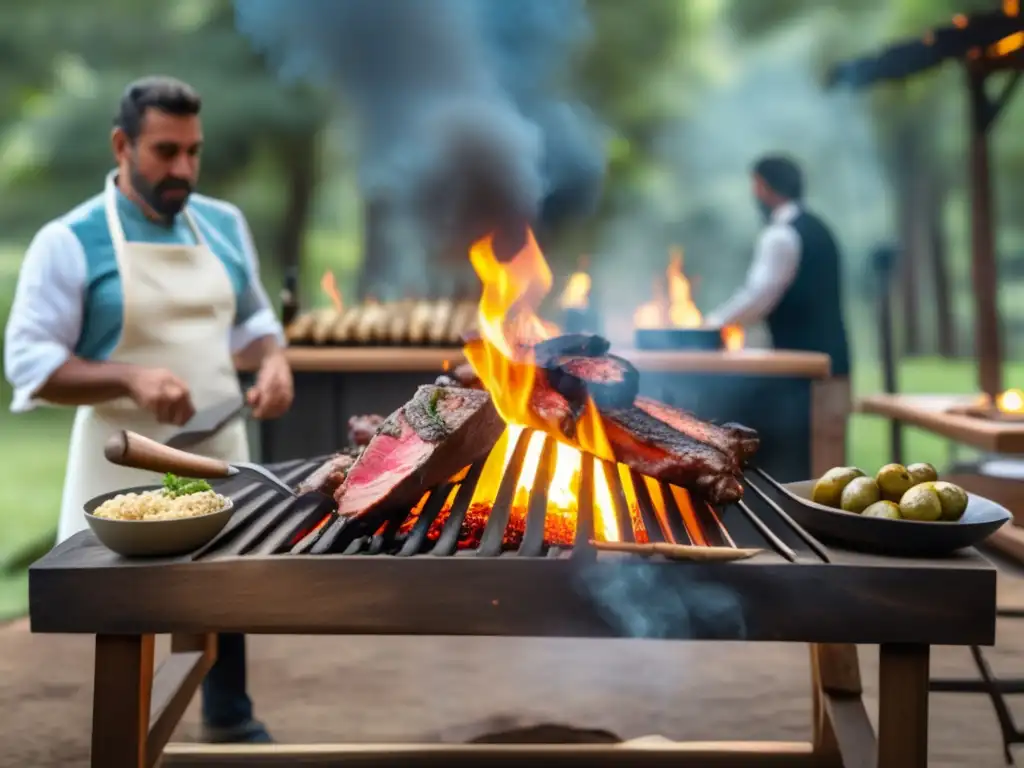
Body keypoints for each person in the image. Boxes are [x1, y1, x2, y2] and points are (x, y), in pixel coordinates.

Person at [3, 76, 293, 744]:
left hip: (219, 444)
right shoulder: (69, 240)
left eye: (193, 152)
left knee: (229, 585)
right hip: (123, 459)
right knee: (131, 609)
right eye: (165, 152)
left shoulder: (222, 224)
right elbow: (30, 366)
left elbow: (254, 324)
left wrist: (274, 363)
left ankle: (229, 715)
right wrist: (130, 379)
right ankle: (128, 741)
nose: (183, 170)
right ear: (121, 145)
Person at [705, 154, 852, 454]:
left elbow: (758, 297)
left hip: (807, 375)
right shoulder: (820, 228)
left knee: (810, 466)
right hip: (835, 365)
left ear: (763, 187)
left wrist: (709, 325)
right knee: (830, 462)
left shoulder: (780, 236)